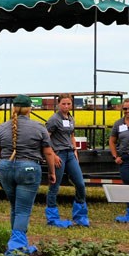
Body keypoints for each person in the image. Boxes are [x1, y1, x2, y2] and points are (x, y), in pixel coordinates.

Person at [0, 94, 58, 256]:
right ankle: (17, 248)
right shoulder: (39, 128)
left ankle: (16, 241)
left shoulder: (2, 128)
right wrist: (52, 172)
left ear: (13, 108)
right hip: (29, 169)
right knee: (23, 210)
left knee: (15, 207)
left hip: (6, 168)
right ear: (29, 109)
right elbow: (48, 152)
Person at [44, 93, 90, 227]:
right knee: (54, 186)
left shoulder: (71, 118)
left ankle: (80, 215)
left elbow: (72, 134)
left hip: (70, 154)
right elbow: (46, 139)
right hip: (58, 154)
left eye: (68, 104)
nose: (66, 106)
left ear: (72, 105)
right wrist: (53, 155)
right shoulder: (54, 119)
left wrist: (75, 149)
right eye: (63, 104)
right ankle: (52, 217)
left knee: (80, 184)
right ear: (58, 104)